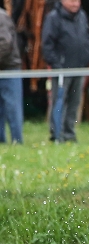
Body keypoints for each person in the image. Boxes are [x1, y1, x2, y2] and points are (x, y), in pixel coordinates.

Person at [41, 0, 89, 143]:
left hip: (79, 67)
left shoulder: (82, 16)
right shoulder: (53, 18)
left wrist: (85, 59)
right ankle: (57, 134)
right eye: (72, 0)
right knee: (59, 100)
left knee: (74, 102)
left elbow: (85, 39)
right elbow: (47, 44)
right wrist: (57, 64)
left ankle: (69, 133)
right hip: (62, 69)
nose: (76, 3)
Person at [0, 4, 23, 144]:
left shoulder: (1, 17)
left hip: (9, 68)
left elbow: (5, 43)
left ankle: (17, 140)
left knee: (12, 107)